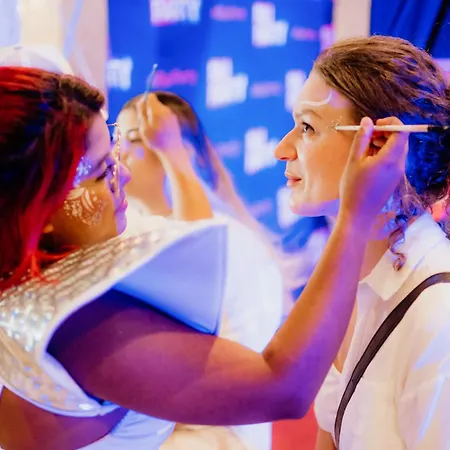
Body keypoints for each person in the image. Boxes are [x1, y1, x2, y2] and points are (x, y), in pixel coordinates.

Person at [0, 65, 408, 450]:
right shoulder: (76, 321)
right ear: (37, 208)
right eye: (100, 172)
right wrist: (354, 217)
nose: (123, 174)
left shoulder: (44, 273)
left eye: (119, 151)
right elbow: (281, 388)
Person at [274, 35, 450, 450]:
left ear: (382, 142)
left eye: (307, 128)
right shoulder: (351, 283)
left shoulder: (438, 315)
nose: (282, 150)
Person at [118, 91, 285, 449]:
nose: (119, 154)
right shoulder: (134, 233)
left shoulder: (231, 241)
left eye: (136, 138)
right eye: (116, 138)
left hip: (213, 432)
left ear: (183, 152)